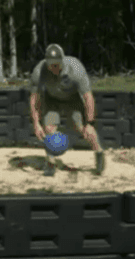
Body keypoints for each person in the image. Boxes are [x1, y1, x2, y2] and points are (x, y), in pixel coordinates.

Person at [29, 44, 105, 177]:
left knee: (83, 129)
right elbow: (35, 99)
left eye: (57, 65)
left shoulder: (75, 68)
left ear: (62, 61)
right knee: (49, 128)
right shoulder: (39, 71)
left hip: (73, 99)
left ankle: (99, 153)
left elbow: (88, 97)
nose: (54, 68)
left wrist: (90, 122)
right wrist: (36, 123)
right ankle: (51, 163)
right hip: (52, 100)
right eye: (51, 65)